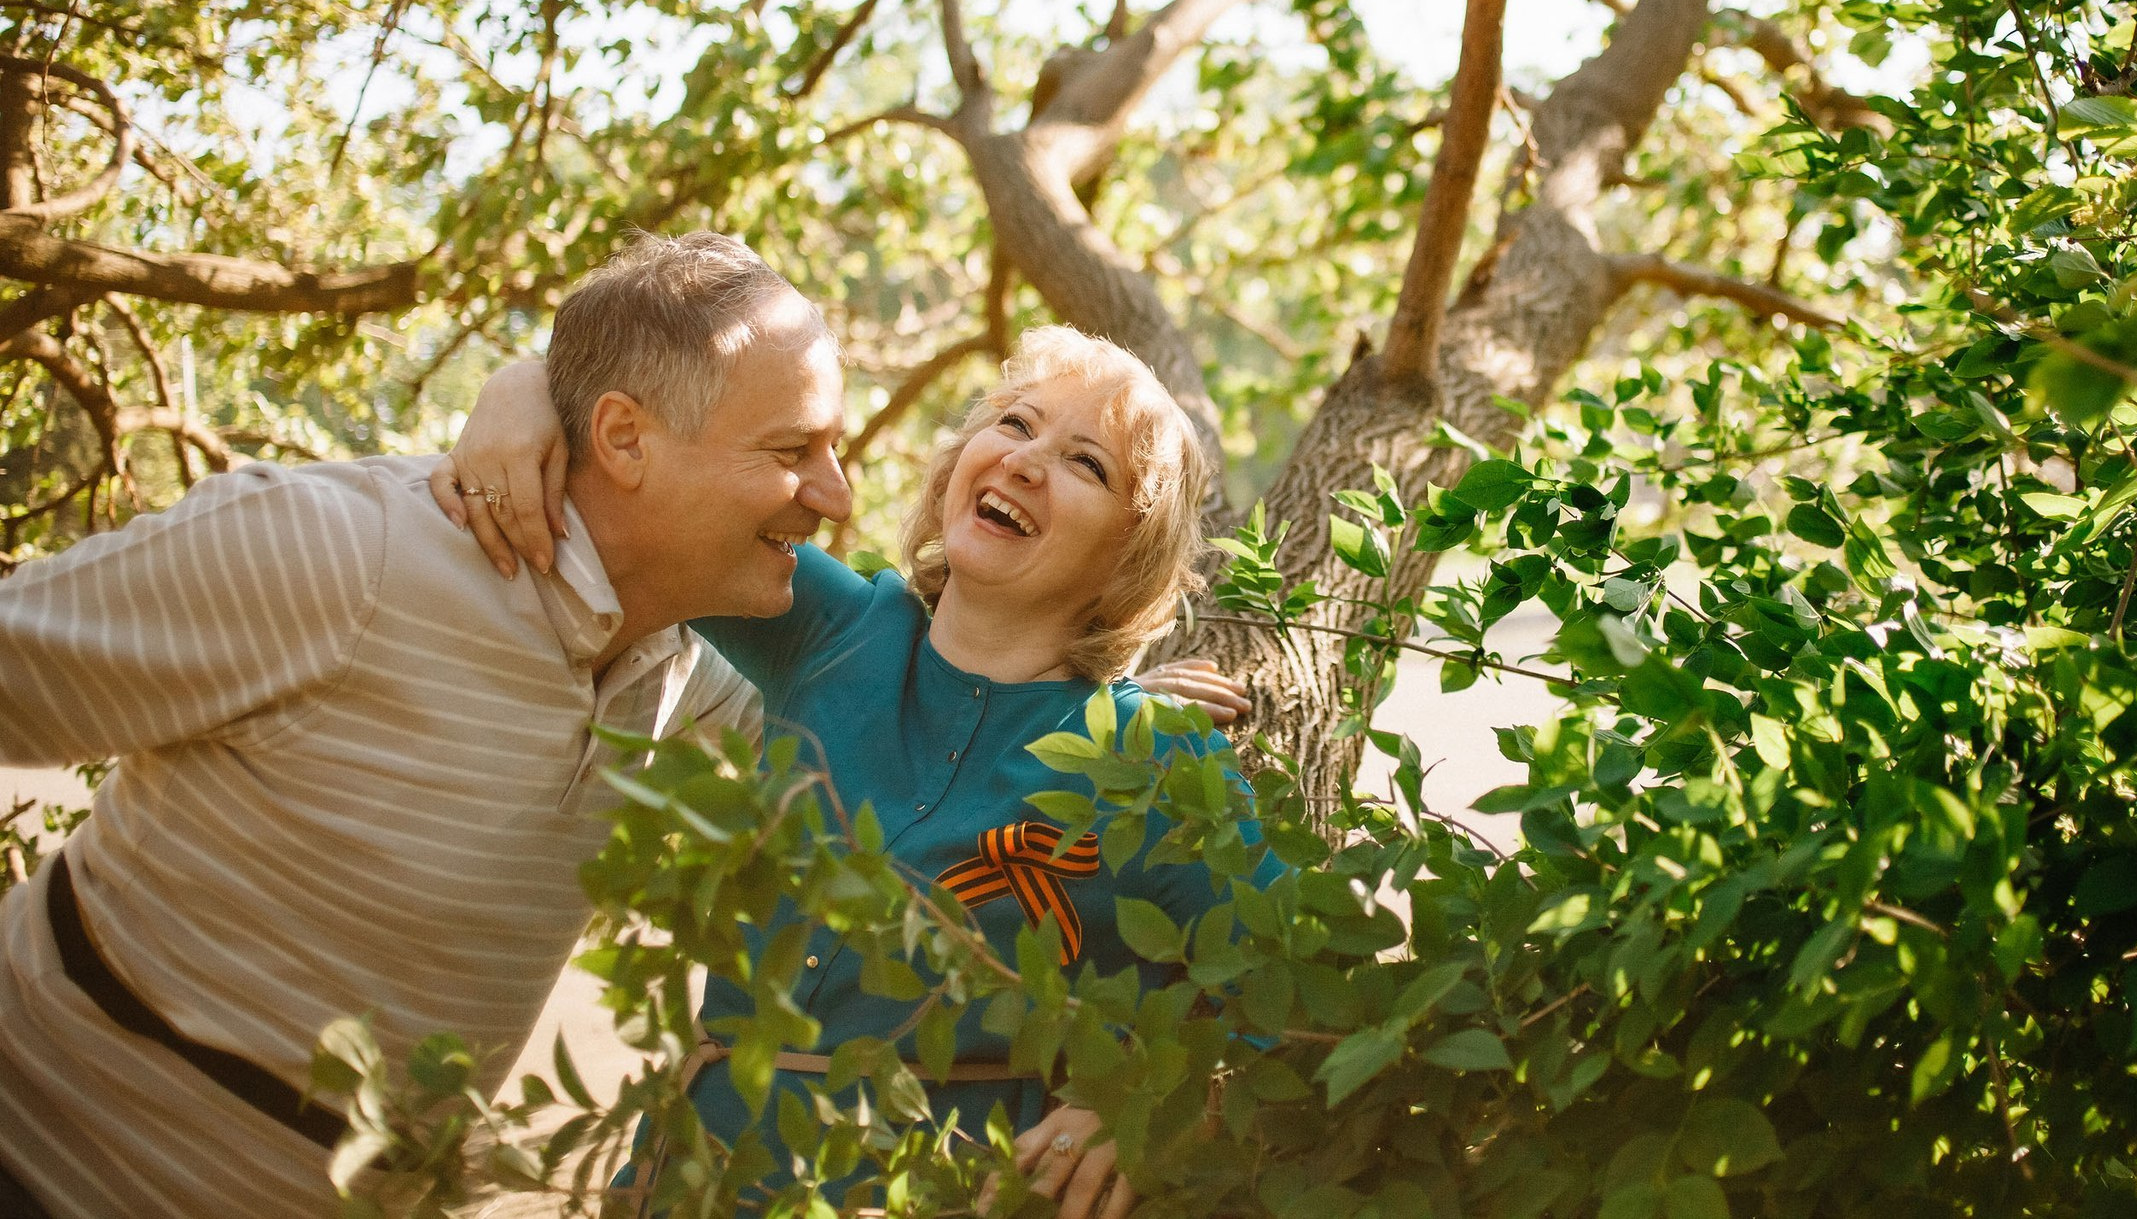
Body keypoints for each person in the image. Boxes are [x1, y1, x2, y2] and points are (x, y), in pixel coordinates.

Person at [0, 232, 848, 1219]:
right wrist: (539, 378)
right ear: (623, 439)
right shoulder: (338, 551)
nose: (837, 495)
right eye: (792, 451)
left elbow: (933, 712)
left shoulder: (698, 681)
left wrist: (534, 378)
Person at [439, 325, 1274, 1219]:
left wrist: (1152, 1101)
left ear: (1127, 556)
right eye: (1016, 423)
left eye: (1086, 463)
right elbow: (649, 480)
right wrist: (524, 390)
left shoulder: (1152, 759)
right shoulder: (838, 627)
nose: (1026, 461)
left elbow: (1301, 987)